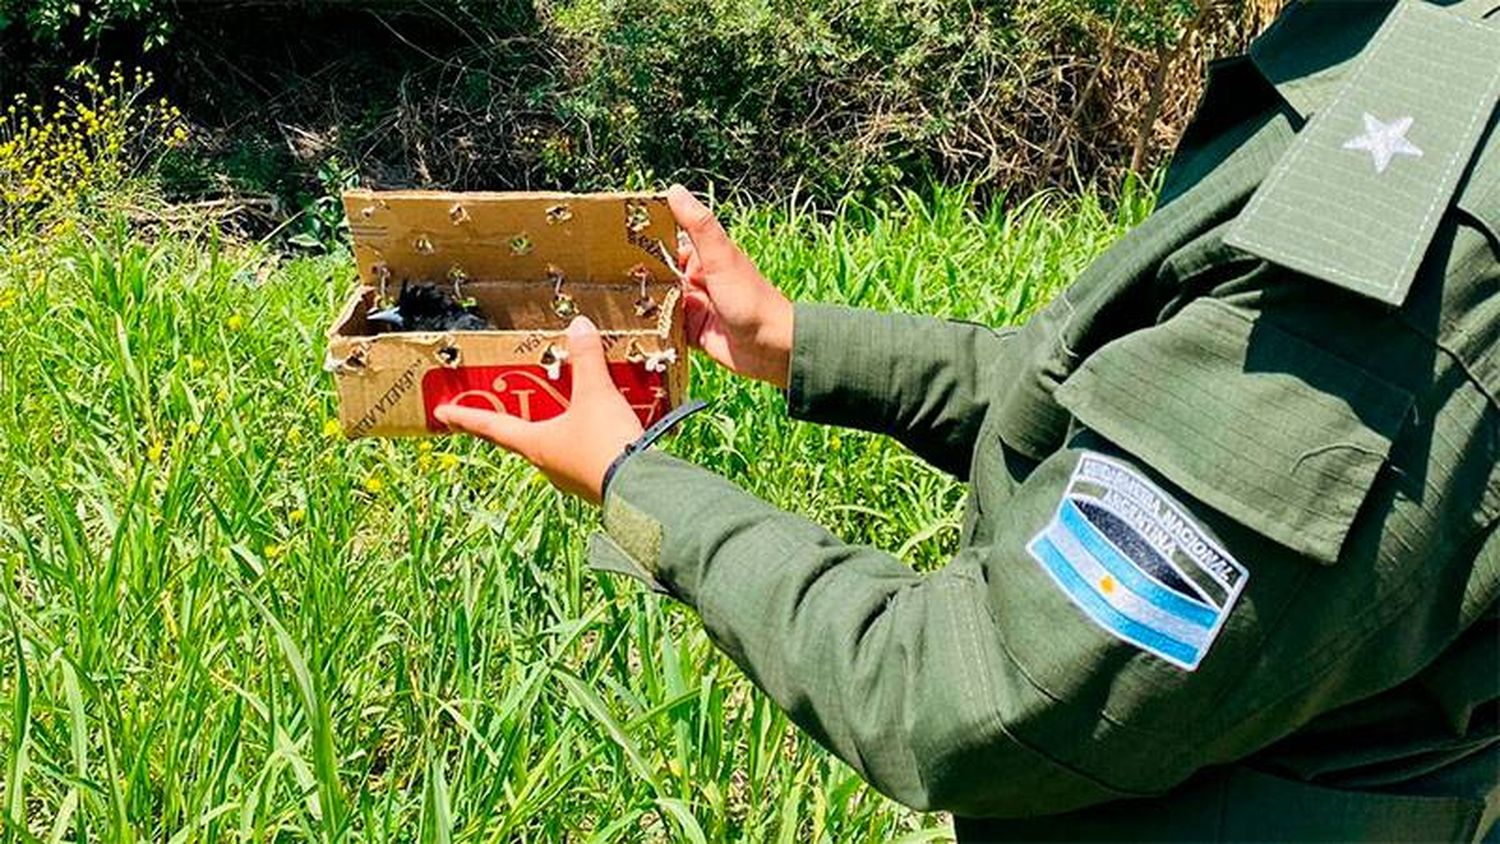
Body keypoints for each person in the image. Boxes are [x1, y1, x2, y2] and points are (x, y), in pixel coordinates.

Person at [438, 1, 1500, 839]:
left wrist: (633, 480)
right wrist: (793, 340)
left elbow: (973, 691)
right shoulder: (1392, 46)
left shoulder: (1419, 223)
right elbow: (1115, 400)